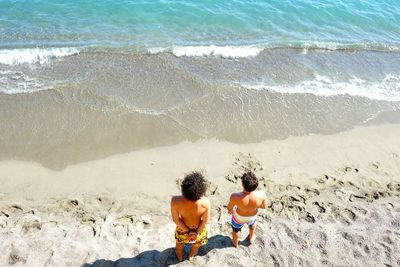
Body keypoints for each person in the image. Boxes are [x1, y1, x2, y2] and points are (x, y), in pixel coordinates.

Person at [171, 172, 210, 261]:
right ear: (201, 192)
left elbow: (176, 220)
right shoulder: (206, 202)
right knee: (196, 244)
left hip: (183, 229)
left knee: (180, 244)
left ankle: (180, 257)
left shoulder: (175, 201)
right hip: (199, 229)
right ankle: (190, 256)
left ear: (183, 189)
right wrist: (196, 233)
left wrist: (188, 231)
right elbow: (205, 221)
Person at [227, 171, 267, 247]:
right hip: (252, 217)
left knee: (236, 230)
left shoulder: (235, 196)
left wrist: (230, 211)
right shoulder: (262, 194)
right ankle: (251, 238)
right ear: (256, 185)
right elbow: (264, 206)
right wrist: (254, 206)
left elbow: (230, 207)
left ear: (242, 184)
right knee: (252, 227)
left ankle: (235, 243)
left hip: (239, 217)